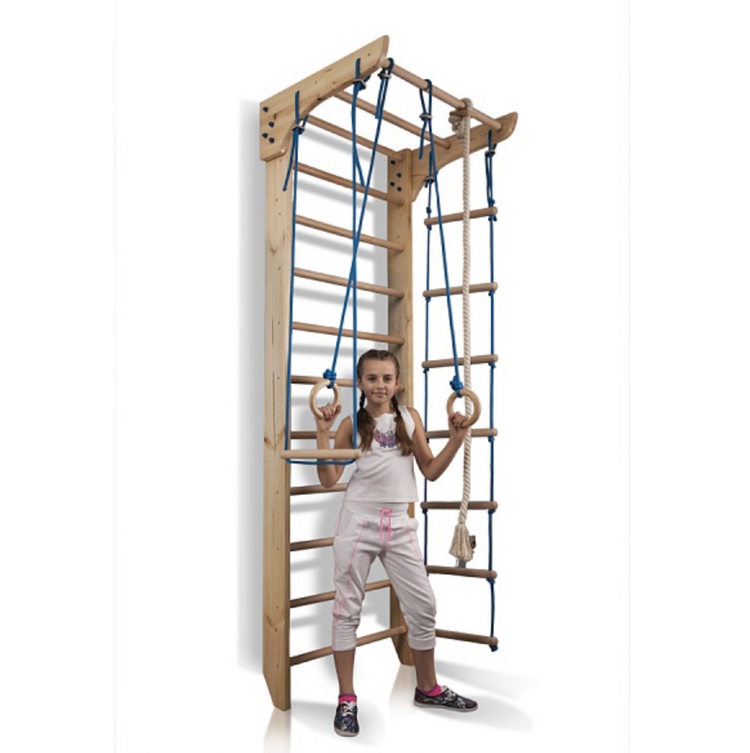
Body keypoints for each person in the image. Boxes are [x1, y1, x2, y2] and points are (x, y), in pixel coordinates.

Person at [314, 348, 478, 738]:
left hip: (400, 525)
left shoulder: (408, 418)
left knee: (423, 605)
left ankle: (427, 688)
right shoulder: (352, 424)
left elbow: (430, 471)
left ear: (398, 383)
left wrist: (456, 440)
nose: (380, 385)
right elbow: (329, 479)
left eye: (387, 378)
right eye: (372, 378)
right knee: (347, 610)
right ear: (360, 383)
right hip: (358, 521)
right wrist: (322, 431)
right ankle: (347, 700)